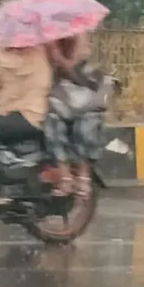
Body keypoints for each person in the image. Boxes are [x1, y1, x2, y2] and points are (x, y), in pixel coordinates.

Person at [0, 23, 53, 207]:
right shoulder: (12, 56)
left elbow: (7, 63)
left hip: (31, 116)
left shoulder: (34, 54)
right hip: (13, 112)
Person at [44, 33, 103, 198]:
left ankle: (84, 176)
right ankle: (65, 176)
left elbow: (73, 65)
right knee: (52, 126)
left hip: (84, 89)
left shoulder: (79, 34)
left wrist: (57, 55)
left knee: (85, 127)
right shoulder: (50, 36)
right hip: (61, 93)